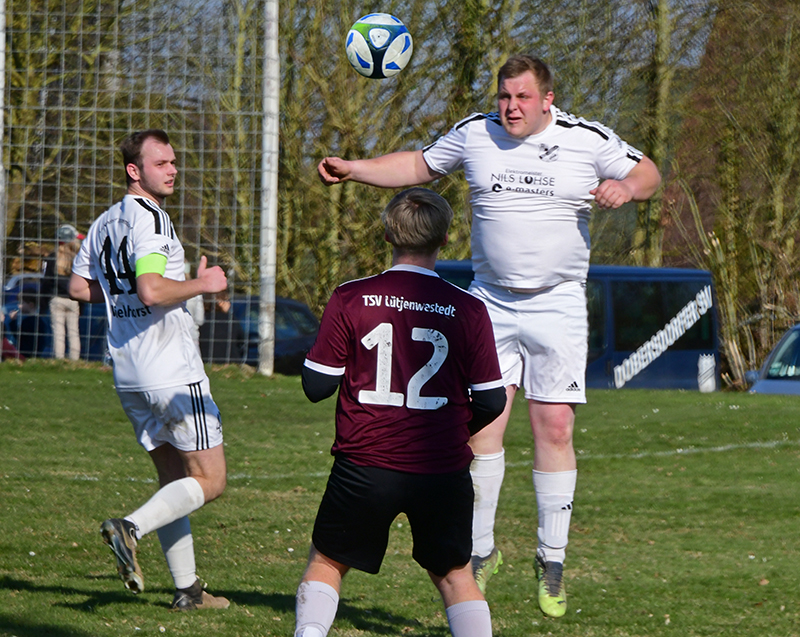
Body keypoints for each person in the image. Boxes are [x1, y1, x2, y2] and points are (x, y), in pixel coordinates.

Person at [317, 55, 662, 617]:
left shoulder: (586, 138)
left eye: (522, 97)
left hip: (557, 302)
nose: (511, 107)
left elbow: (649, 173)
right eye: (504, 96)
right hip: (490, 304)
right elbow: (418, 165)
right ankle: (480, 549)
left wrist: (625, 186)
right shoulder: (476, 132)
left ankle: (552, 559)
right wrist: (354, 168)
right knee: (481, 425)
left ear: (547, 100)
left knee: (555, 425)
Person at [295, 188, 507, 637]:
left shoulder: (351, 297)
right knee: (455, 575)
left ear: (388, 234)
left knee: (328, 562)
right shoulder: (469, 309)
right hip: (441, 468)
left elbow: (316, 386)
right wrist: (451, 428)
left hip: (365, 463)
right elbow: (492, 400)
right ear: (445, 238)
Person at [69, 129, 231, 611]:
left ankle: (188, 591)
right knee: (210, 480)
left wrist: (124, 294)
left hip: (129, 371)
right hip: (171, 372)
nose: (172, 170)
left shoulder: (104, 222)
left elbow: (77, 287)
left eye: (173, 162)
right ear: (134, 170)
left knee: (173, 480)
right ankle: (130, 528)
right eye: (161, 163)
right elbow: (153, 290)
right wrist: (203, 284)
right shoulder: (153, 218)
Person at [41, 224, 85, 360]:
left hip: (56, 299)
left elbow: (46, 281)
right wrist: (82, 304)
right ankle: (74, 360)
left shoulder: (52, 258)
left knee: (58, 332)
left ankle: (59, 359)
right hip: (73, 299)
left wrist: (43, 302)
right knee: (74, 332)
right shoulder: (78, 258)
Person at [199, 289, 245, 364]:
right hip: (230, 361)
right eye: (228, 300)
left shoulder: (201, 319)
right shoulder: (230, 319)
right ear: (220, 302)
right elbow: (241, 338)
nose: (229, 304)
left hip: (203, 360)